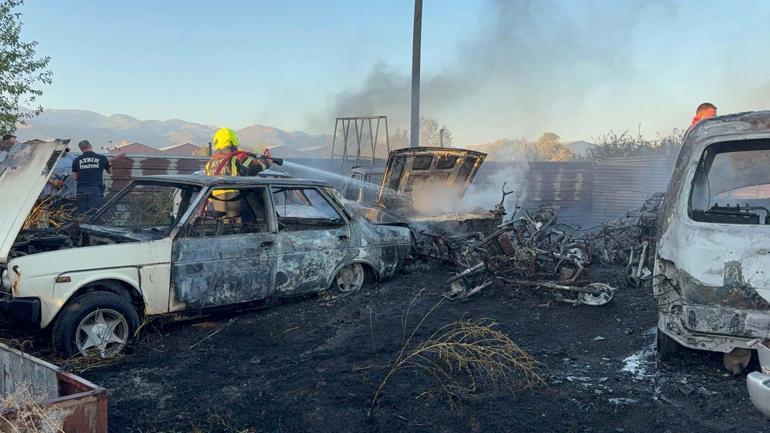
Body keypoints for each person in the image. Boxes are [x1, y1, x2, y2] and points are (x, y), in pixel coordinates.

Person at [204, 128, 273, 221]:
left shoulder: (209, 164)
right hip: (238, 211)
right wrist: (268, 161)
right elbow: (254, 167)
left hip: (218, 213)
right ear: (234, 140)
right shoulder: (237, 157)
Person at [71, 140, 111, 215]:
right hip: (96, 190)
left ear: (80, 149)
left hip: (81, 190)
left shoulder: (76, 160)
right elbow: (110, 171)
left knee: (82, 214)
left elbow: (75, 177)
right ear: (90, 145)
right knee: (95, 214)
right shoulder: (102, 158)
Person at [41, 145, 77, 213]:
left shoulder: (71, 157)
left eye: (66, 149)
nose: (64, 151)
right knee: (49, 210)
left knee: (65, 210)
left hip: (67, 192)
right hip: (51, 192)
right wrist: (52, 181)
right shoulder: (49, 158)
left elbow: (76, 171)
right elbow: (41, 173)